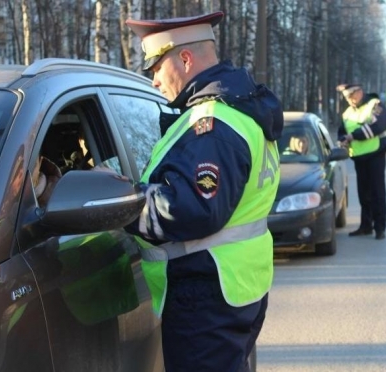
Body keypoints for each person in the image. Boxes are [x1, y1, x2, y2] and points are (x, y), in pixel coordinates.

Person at [125, 11, 283, 372]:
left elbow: (191, 208)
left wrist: (125, 205)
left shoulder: (211, 125)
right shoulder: (239, 111)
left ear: (184, 58)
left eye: (154, 69)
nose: (153, 82)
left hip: (206, 295)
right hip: (235, 285)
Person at [336, 84, 386, 240]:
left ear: (360, 92)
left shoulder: (375, 104)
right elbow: (342, 131)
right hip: (359, 157)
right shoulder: (347, 113)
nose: (350, 100)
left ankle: (380, 228)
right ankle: (365, 226)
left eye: (352, 96)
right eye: (347, 98)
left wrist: (354, 136)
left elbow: (379, 125)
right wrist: (343, 140)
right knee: (363, 193)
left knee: (377, 192)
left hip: (376, 154)